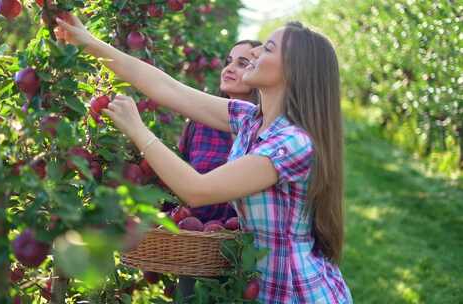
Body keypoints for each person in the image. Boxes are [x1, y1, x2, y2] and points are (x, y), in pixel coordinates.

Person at [56, 15, 353, 303]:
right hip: (261, 288)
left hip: (298, 292)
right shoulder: (250, 120)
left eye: (269, 48)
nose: (256, 53)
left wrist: (137, 129)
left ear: (294, 71)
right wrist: (88, 41)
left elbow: (197, 190)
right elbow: (166, 87)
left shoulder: (292, 144)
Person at [176, 39, 261, 301]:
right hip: (198, 244)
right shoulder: (199, 123)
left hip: (245, 252)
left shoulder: (265, 129)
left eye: (242, 63)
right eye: (228, 61)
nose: (230, 68)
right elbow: (181, 174)